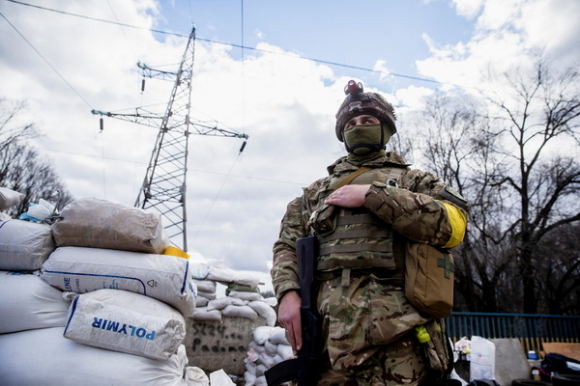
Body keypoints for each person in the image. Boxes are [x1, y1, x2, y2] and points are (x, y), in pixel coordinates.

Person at [271, 80, 469, 385]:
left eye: (368, 121)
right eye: (350, 123)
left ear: (386, 129)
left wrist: (375, 197)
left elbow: (453, 226)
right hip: (326, 338)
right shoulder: (314, 194)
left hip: (399, 339)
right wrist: (287, 294)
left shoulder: (415, 181)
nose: (358, 127)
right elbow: (287, 245)